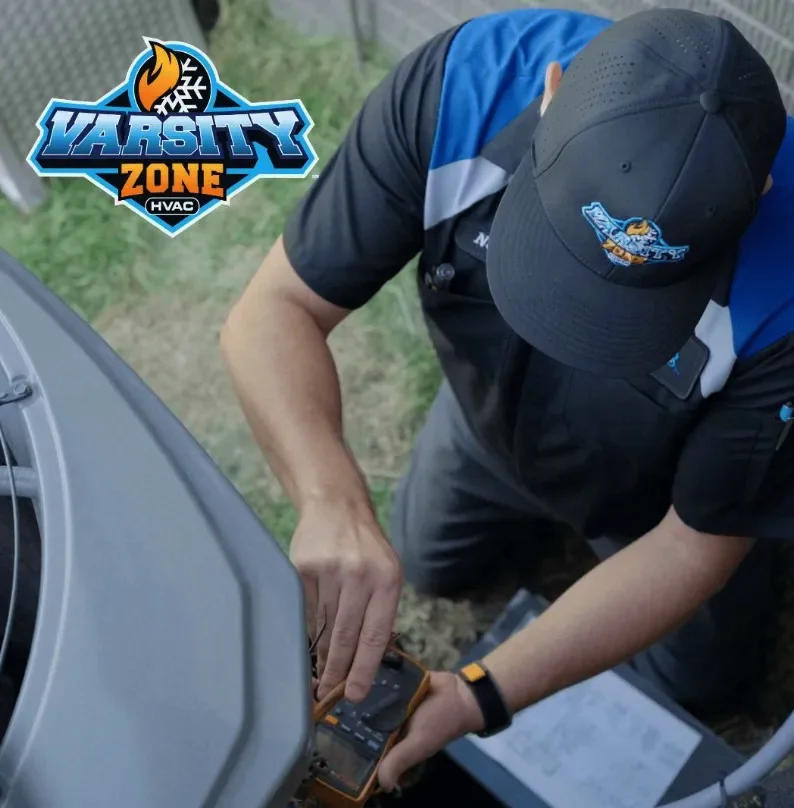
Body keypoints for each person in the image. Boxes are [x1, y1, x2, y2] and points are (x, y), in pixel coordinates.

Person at [220, 5, 794, 791]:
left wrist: (478, 694)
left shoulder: (788, 294)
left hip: (660, 502)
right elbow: (272, 312)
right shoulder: (467, 88)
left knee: (701, 689)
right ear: (551, 91)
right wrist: (330, 499)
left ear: (759, 192)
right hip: (485, 425)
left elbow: (690, 549)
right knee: (427, 563)